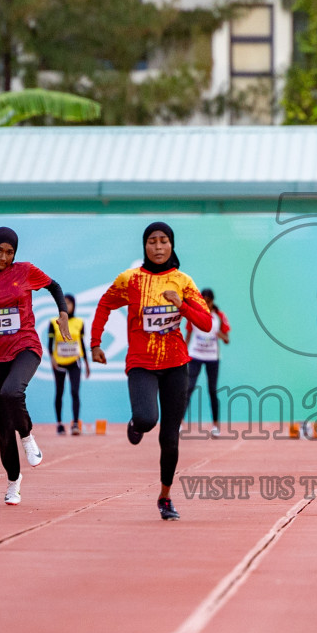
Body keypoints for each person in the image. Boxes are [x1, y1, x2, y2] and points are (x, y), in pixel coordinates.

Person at [91, 222, 212, 520]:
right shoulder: (130, 280)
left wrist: (181, 304)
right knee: (147, 419)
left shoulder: (182, 281)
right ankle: (136, 424)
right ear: (144, 246)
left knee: (170, 437)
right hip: (141, 363)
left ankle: (165, 497)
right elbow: (104, 304)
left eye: (164, 241)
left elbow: (206, 324)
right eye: (152, 242)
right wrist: (95, 343)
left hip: (176, 364)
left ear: (172, 245)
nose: (158, 247)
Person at [0, 227, 70, 505]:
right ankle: (13, 481)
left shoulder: (25, 271)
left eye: (9, 252)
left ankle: (28, 436)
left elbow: (54, 286)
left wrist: (63, 313)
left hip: (25, 347)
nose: (4, 257)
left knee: (12, 393)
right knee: (3, 429)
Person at [185, 288, 229, 436]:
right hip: (195, 355)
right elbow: (189, 334)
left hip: (212, 358)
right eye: (203, 301)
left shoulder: (219, 316)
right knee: (188, 388)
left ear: (212, 302)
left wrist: (220, 335)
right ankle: (178, 422)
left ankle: (216, 426)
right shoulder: (194, 314)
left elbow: (227, 339)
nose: (206, 304)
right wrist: (183, 352)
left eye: (208, 302)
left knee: (212, 390)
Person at [49, 293, 89, 434]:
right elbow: (49, 344)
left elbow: (82, 344)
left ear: (74, 305)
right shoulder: (54, 322)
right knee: (59, 392)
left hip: (75, 361)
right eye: (64, 303)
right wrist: (52, 359)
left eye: (69, 303)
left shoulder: (79, 322)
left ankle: (75, 424)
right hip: (59, 362)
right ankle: (59, 424)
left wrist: (87, 363)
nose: (67, 306)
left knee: (74, 392)